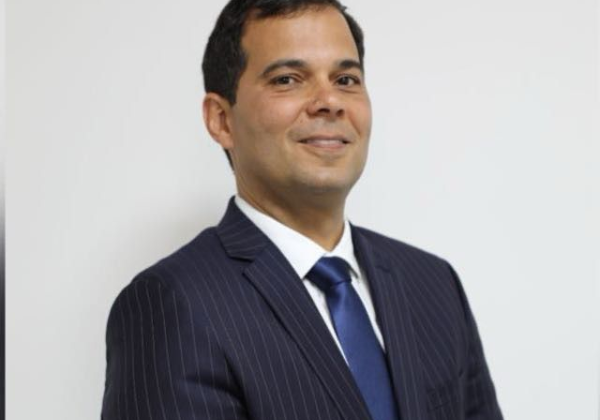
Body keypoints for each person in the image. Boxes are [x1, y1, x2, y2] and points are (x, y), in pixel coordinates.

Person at [101, 0, 504, 419]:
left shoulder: (432, 283)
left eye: (346, 79)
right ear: (221, 119)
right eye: (288, 79)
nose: (329, 101)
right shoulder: (172, 304)